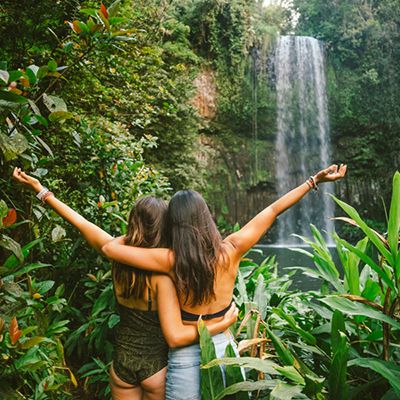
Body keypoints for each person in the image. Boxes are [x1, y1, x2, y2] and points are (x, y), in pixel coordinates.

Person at [101, 164, 347, 400]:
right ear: (206, 216)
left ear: (173, 225)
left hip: (185, 355)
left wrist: (136, 231)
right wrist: (312, 181)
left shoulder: (170, 260)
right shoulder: (232, 250)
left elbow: (111, 249)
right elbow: (272, 211)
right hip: (224, 348)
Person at [12, 167, 238, 400]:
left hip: (122, 365)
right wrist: (220, 323)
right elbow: (177, 328)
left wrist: (42, 191)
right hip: (156, 367)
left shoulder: (117, 261)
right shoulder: (164, 274)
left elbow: (80, 223)